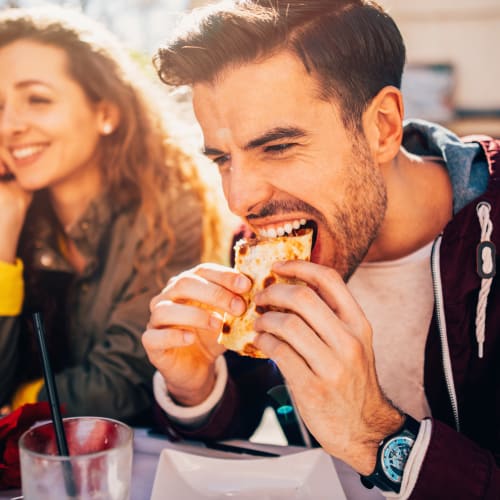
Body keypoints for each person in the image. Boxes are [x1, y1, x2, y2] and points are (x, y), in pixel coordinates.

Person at [143, 0, 499, 497]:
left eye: (278, 147)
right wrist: (197, 386)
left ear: (382, 127)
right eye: (223, 158)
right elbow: (246, 419)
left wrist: (376, 436)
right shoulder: (261, 246)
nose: (241, 200)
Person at [0, 5, 224, 425]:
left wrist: (19, 403)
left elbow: (120, 385)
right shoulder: (12, 210)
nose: (9, 125)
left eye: (37, 99)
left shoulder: (172, 210)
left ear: (106, 112)